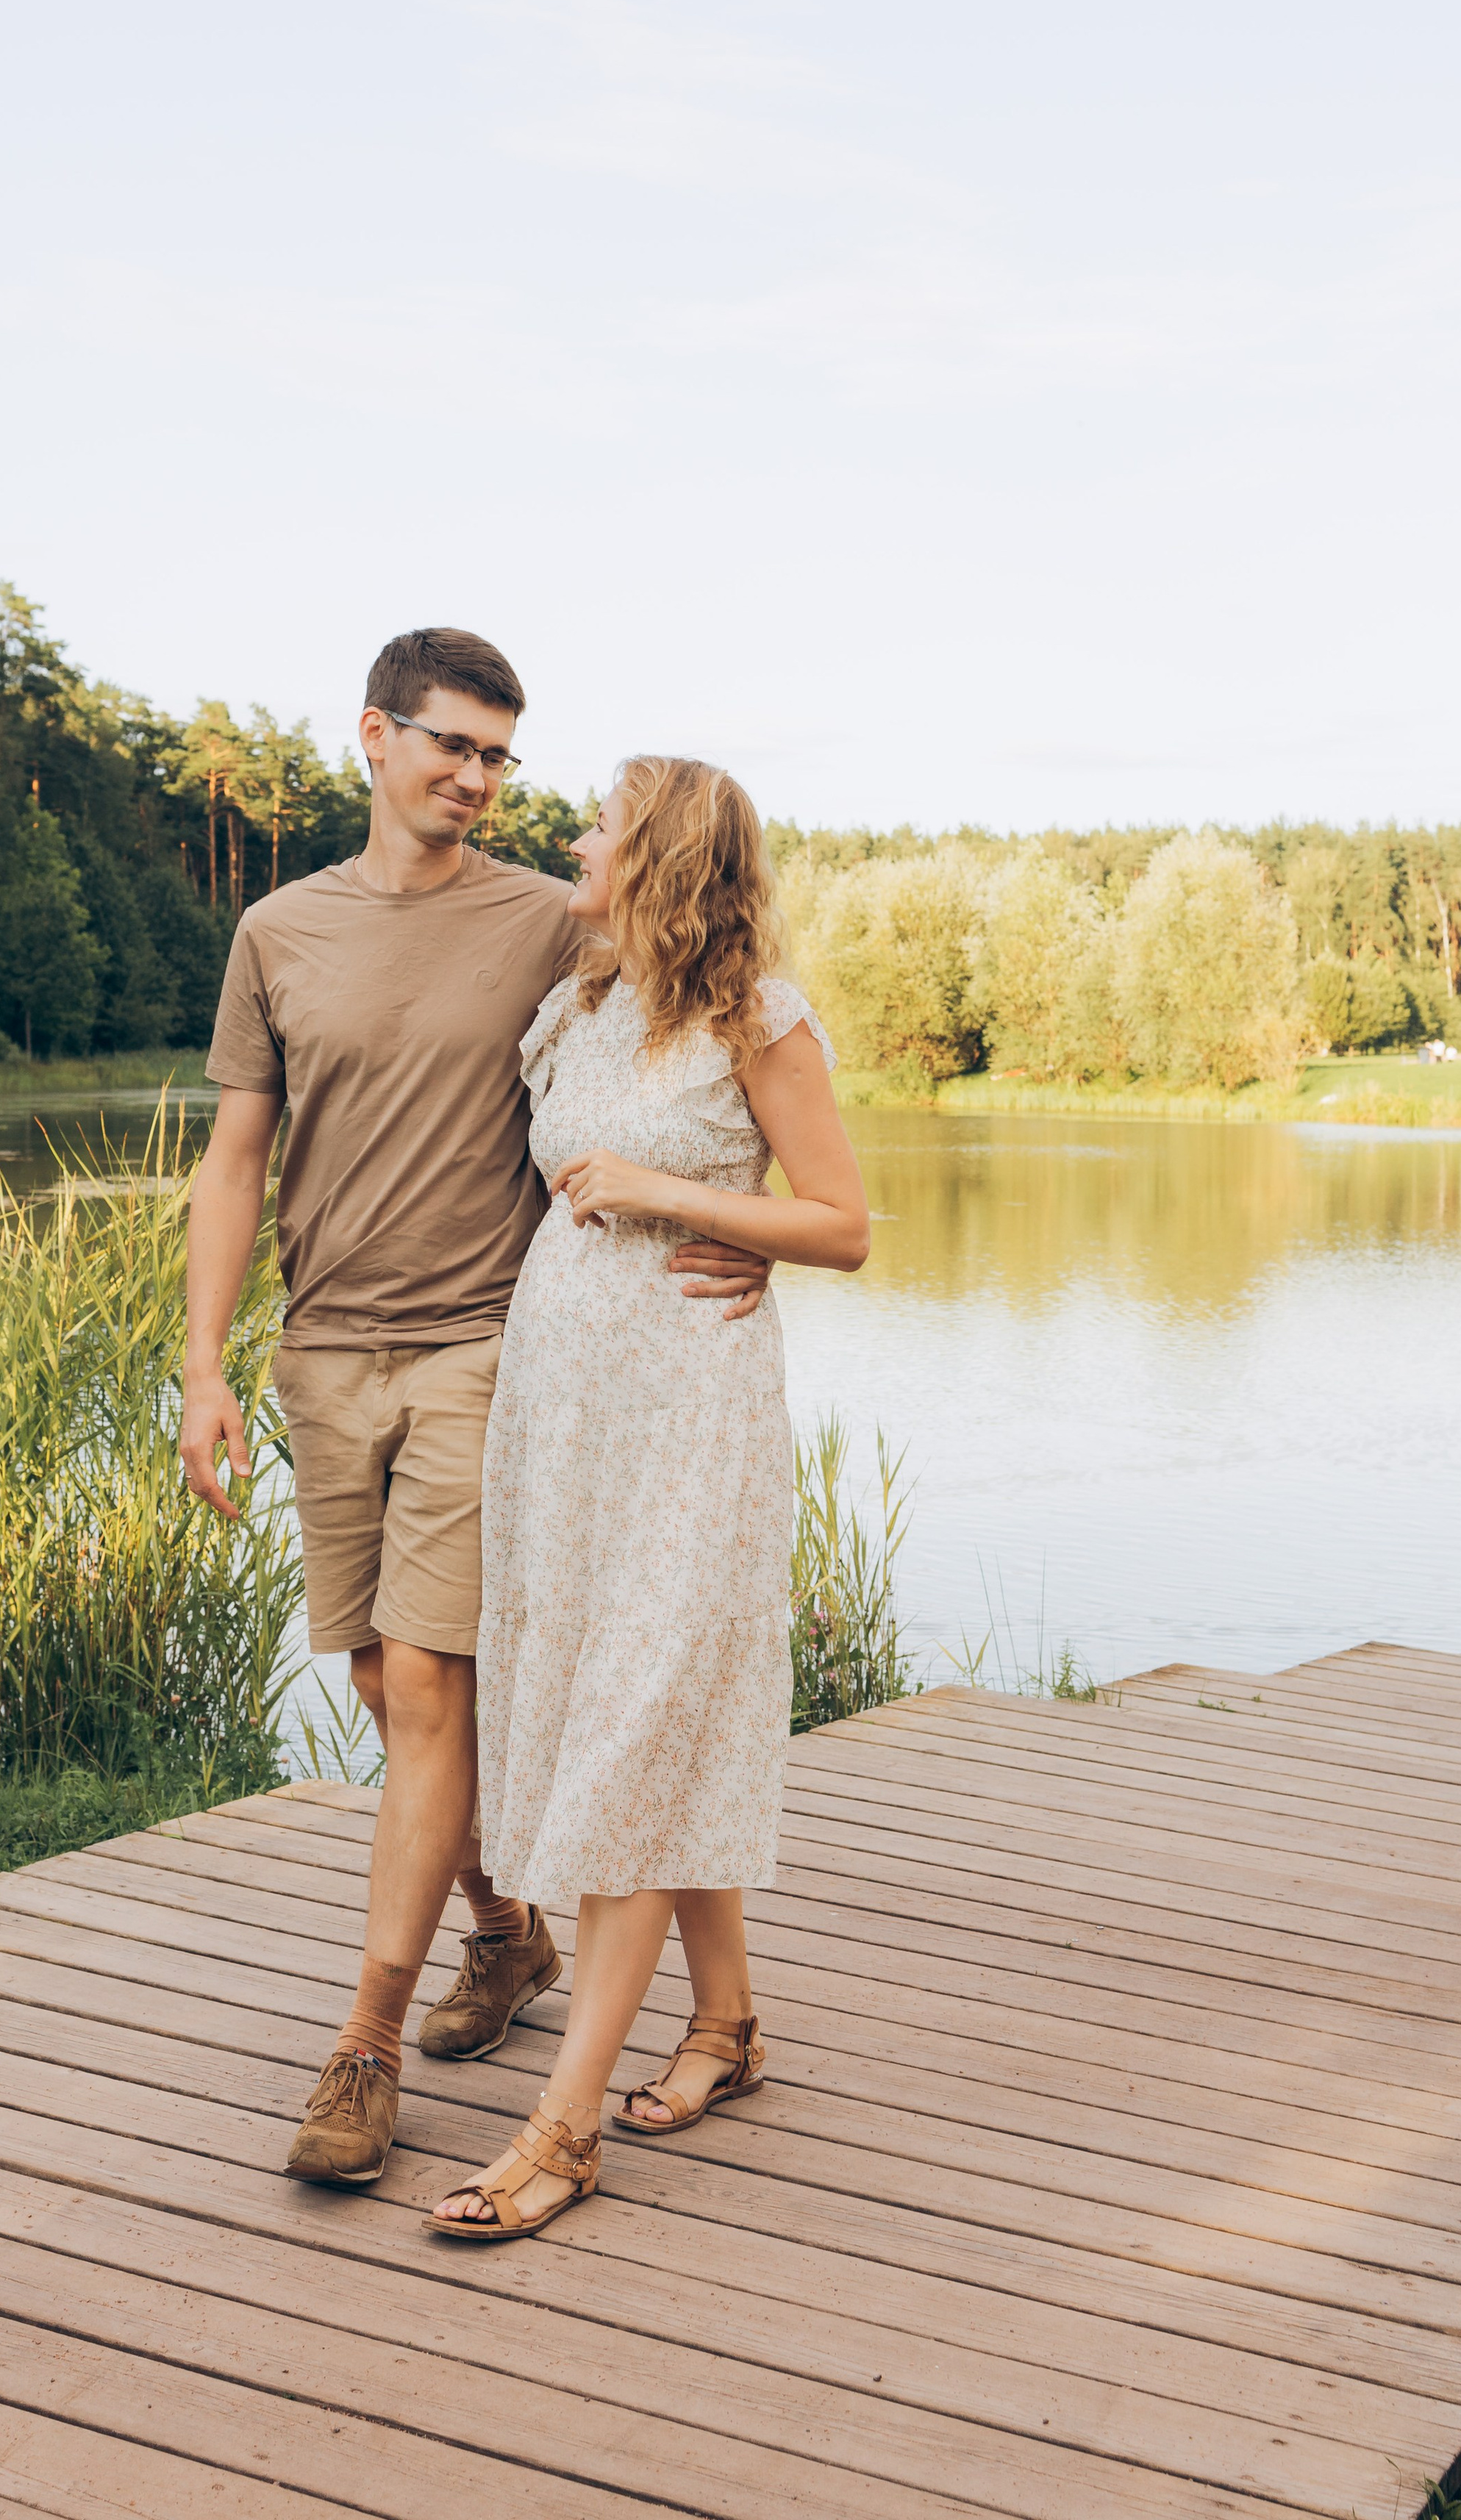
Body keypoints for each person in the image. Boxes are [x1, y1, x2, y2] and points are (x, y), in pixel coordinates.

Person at [179, 631, 771, 2189]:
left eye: (501, 757)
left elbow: (707, 1030)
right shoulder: (276, 931)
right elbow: (235, 1158)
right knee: (378, 1676)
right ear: (372, 737)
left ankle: (362, 2048)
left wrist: (739, 1229)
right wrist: (201, 1366)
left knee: (433, 1685)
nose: (480, 779)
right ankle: (504, 1929)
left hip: (484, 1348)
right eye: (452, 746)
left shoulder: (549, 919)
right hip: (325, 1352)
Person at [426, 755, 870, 2244]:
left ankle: (556, 2133)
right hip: (566, 1425)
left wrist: (688, 1201)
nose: (574, 836)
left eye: (601, 824)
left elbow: (841, 1222)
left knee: (632, 1729)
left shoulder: (759, 1019)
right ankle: (729, 2025)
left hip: (689, 1413)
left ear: (662, 856)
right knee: (634, 1708)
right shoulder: (580, 1006)